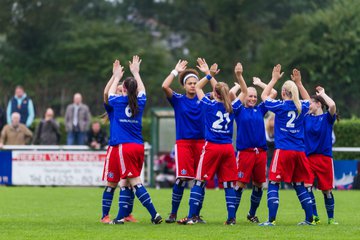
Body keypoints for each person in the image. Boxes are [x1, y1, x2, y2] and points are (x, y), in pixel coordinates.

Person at [178, 62, 246, 225]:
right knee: (229, 183)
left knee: (200, 181)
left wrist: (210, 74)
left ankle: (191, 217)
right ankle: (231, 218)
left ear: (214, 94)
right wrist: (239, 76)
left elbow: (199, 88)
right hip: (228, 148)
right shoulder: (232, 107)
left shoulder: (208, 105)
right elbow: (244, 91)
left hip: (212, 147)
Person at [161, 58, 218, 224]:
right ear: (184, 86)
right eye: (190, 83)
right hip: (184, 144)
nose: (193, 85)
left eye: (195, 82)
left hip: (202, 144)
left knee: (200, 180)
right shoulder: (178, 100)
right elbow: (164, 86)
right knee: (182, 178)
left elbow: (219, 90)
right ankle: (173, 213)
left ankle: (195, 215)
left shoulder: (205, 98)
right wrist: (175, 71)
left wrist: (209, 74)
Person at [107, 56, 162, 224]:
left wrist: (116, 76)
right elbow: (143, 89)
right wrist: (136, 73)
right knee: (124, 182)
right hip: (139, 146)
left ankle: (154, 214)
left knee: (136, 183)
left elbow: (109, 92)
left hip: (126, 148)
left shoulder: (117, 101)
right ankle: (119, 218)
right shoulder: (140, 101)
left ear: (123, 89)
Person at [259, 65, 314, 226]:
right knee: (299, 184)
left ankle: (271, 220)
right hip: (299, 152)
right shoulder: (301, 107)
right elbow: (310, 102)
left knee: (274, 183)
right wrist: (300, 83)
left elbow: (264, 95)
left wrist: (274, 79)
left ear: (283, 93)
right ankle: (309, 219)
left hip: (283, 151)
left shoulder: (280, 106)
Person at [230, 75, 277, 223]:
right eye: (250, 96)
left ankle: (251, 214)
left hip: (261, 153)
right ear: (244, 97)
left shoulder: (260, 109)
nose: (253, 98)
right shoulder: (239, 110)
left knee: (259, 185)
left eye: (255, 96)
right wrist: (239, 86)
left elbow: (273, 93)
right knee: (240, 184)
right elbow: (231, 94)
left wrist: (260, 83)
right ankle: (232, 216)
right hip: (245, 153)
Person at [100, 61, 136, 223]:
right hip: (115, 148)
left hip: (128, 147)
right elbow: (106, 94)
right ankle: (105, 215)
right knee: (112, 182)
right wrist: (114, 77)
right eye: (119, 90)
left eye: (123, 90)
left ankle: (127, 214)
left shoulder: (132, 106)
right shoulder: (114, 107)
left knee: (129, 182)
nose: (121, 92)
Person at [304, 86, 338, 225]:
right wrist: (299, 84)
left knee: (327, 191)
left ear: (318, 104)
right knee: (307, 187)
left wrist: (323, 94)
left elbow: (332, 105)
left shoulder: (327, 118)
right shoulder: (306, 118)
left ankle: (331, 219)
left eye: (311, 103)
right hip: (309, 158)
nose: (308, 105)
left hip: (324, 158)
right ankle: (315, 217)